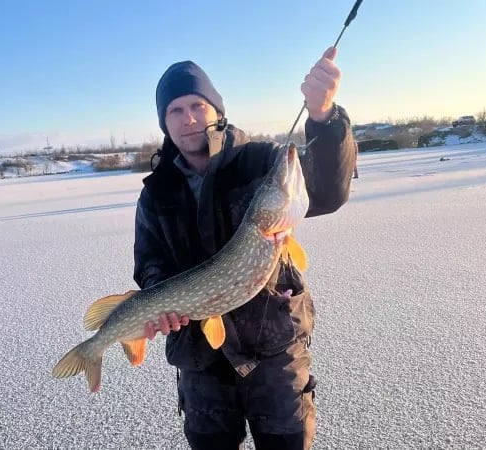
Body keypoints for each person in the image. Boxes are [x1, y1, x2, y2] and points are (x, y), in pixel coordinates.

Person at [133, 47, 355, 450]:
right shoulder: (156, 194)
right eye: (176, 110)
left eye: (198, 105)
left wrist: (324, 116)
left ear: (217, 109)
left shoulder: (259, 161)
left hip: (274, 355)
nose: (189, 119)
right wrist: (160, 302)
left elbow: (328, 190)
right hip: (200, 364)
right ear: (165, 123)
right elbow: (150, 263)